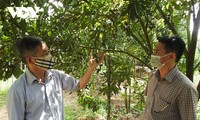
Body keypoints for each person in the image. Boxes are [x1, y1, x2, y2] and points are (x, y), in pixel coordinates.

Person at [6, 36, 105, 120]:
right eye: (45, 53)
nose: (49, 56)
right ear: (30, 60)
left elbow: (78, 85)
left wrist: (91, 68)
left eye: (48, 52)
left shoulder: (56, 76)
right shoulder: (18, 90)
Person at [143, 36, 198, 120]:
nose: (153, 54)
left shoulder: (185, 89)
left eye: (157, 51)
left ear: (171, 56)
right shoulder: (152, 76)